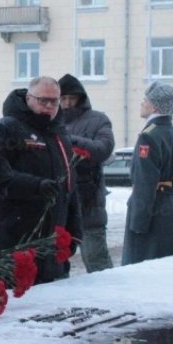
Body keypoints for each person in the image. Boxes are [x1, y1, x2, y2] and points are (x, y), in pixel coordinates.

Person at [0, 76, 82, 284]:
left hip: (52, 244)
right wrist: (35, 185)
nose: (49, 106)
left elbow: (70, 184)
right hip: (14, 236)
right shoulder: (2, 129)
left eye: (55, 101)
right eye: (43, 100)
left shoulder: (59, 134)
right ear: (28, 97)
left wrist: (75, 231)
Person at [122, 82, 173, 265]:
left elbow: (144, 182)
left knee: (140, 267)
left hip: (150, 211)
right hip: (169, 206)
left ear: (155, 106)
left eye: (146, 100)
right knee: (168, 266)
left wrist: (138, 222)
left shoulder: (148, 136)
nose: (142, 103)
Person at [58, 73, 115, 272]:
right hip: (60, 203)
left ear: (80, 98)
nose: (66, 103)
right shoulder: (50, 121)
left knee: (97, 261)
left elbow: (103, 148)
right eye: (62, 98)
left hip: (89, 203)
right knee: (57, 264)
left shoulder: (98, 120)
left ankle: (108, 300)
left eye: (70, 98)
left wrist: (70, 140)